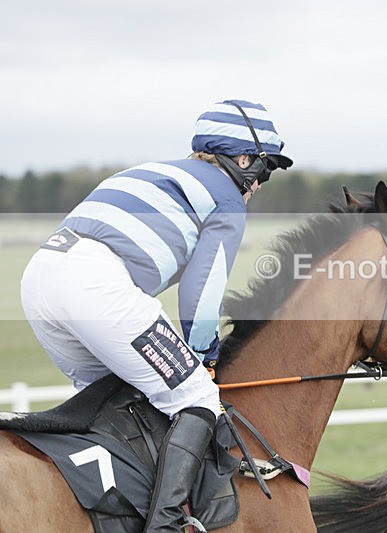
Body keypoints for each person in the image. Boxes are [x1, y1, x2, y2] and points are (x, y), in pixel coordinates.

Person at [20, 99, 292, 530]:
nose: (259, 184)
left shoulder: (155, 171)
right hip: (93, 286)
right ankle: (166, 525)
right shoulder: (226, 198)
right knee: (197, 396)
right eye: (265, 169)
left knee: (118, 402)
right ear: (243, 160)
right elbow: (201, 292)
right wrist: (204, 358)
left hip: (39, 281)